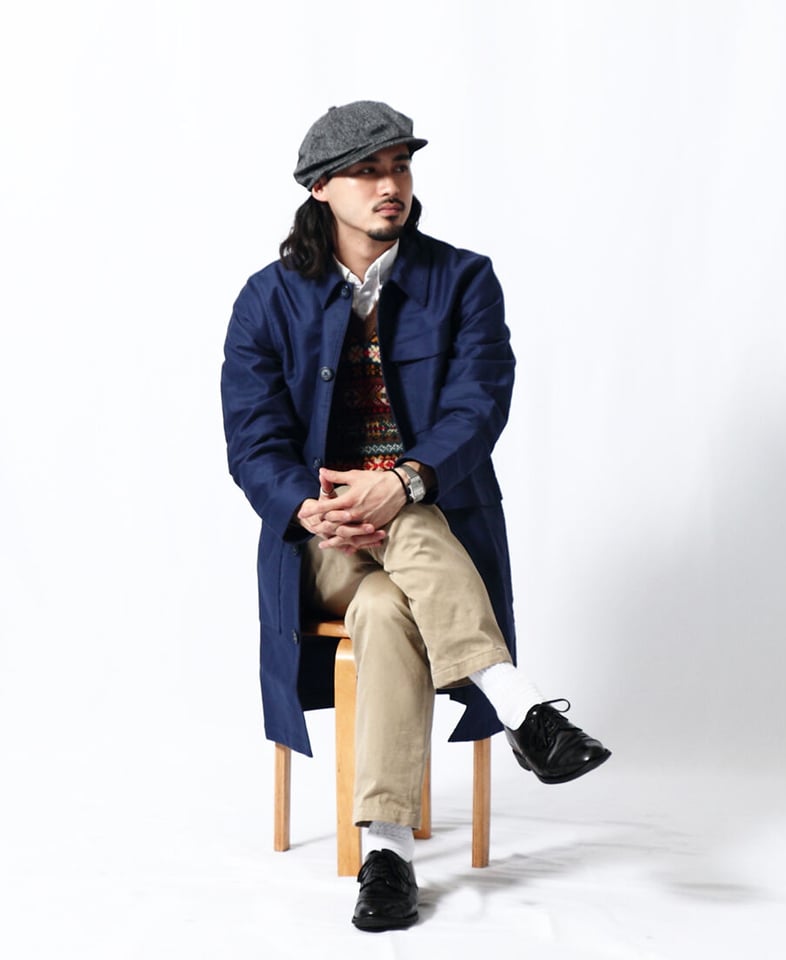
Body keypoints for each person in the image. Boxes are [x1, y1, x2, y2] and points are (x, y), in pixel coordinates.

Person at [221, 100, 611, 932]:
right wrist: (311, 507)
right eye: (367, 171)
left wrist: (402, 481)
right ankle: (523, 708)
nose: (389, 184)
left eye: (399, 166)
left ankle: (387, 853)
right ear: (320, 188)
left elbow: (480, 405)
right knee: (401, 532)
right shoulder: (267, 298)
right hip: (322, 540)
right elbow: (252, 440)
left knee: (387, 605)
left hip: (427, 523)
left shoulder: (463, 279)